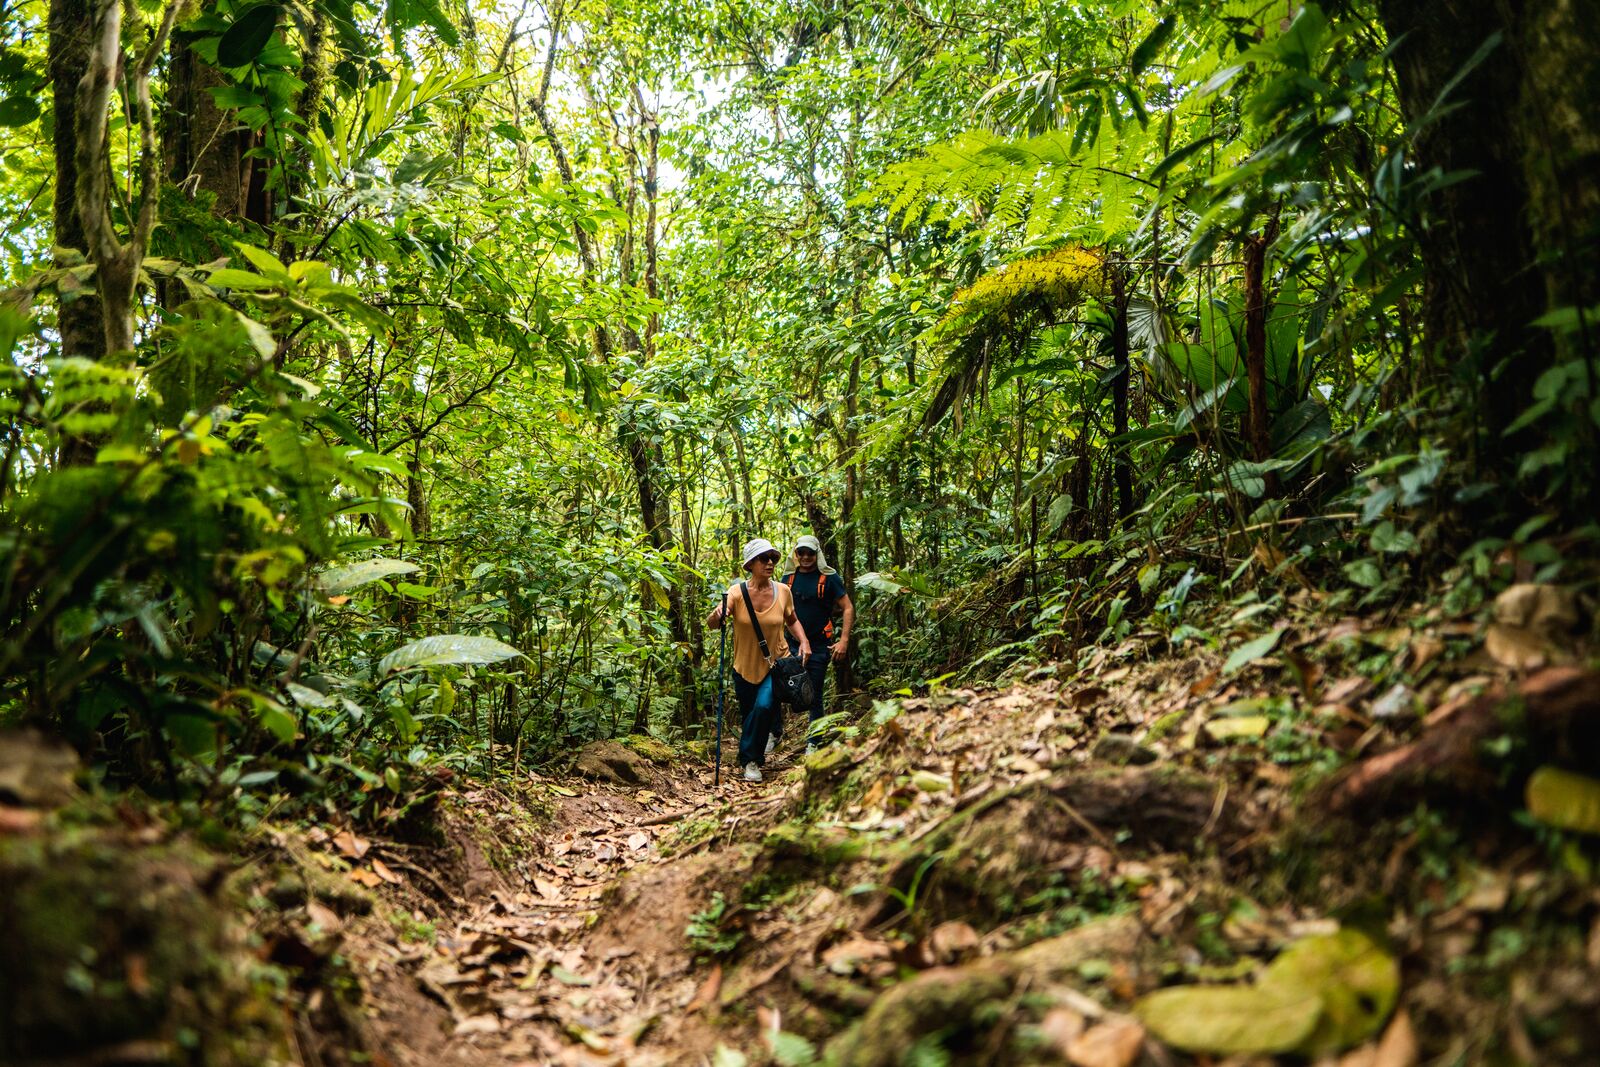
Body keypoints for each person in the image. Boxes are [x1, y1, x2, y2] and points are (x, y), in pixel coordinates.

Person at [706, 537, 811, 782]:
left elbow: (792, 620)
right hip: (744, 666)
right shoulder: (737, 592)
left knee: (763, 706)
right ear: (750, 564)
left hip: (776, 664)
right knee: (749, 715)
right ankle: (759, 746)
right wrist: (718, 614)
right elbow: (713, 623)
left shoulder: (783, 591)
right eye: (764, 558)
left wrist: (804, 641)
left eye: (772, 558)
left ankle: (751, 761)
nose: (770, 562)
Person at [778, 534, 854, 755]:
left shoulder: (829, 578)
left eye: (810, 553)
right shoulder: (788, 578)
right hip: (791, 644)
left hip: (819, 645)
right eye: (801, 552)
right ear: (796, 554)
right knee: (778, 689)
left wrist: (844, 640)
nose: (805, 557)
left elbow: (847, 607)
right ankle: (774, 733)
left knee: (814, 694)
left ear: (817, 554)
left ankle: (814, 741)